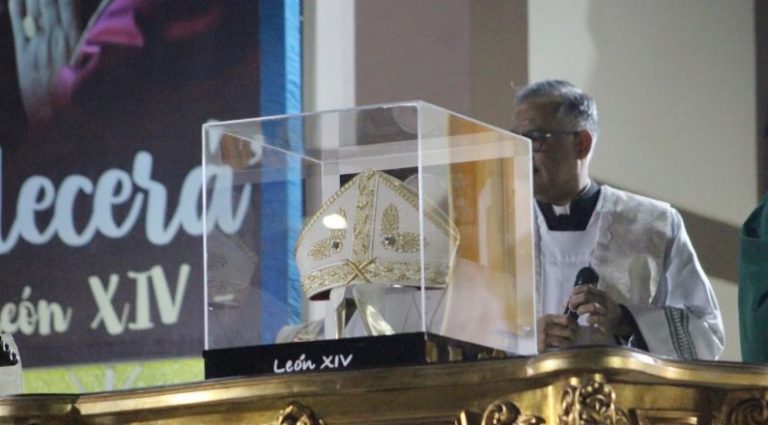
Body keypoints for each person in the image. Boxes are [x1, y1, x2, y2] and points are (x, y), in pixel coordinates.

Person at [510, 80, 724, 360]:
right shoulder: (498, 226)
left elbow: (707, 334)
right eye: (515, 140)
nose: (521, 152)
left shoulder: (653, 225)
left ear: (581, 144)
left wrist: (626, 320)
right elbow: (466, 336)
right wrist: (526, 339)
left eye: (535, 139)